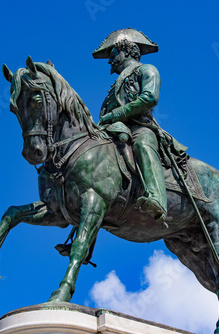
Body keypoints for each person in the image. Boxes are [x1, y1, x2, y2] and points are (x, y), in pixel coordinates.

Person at [93, 28, 167, 222]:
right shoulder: (114, 86)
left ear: (126, 50)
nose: (110, 61)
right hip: (113, 130)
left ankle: (157, 198)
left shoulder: (147, 70)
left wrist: (118, 113)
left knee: (143, 144)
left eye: (113, 54)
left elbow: (150, 98)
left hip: (140, 126)